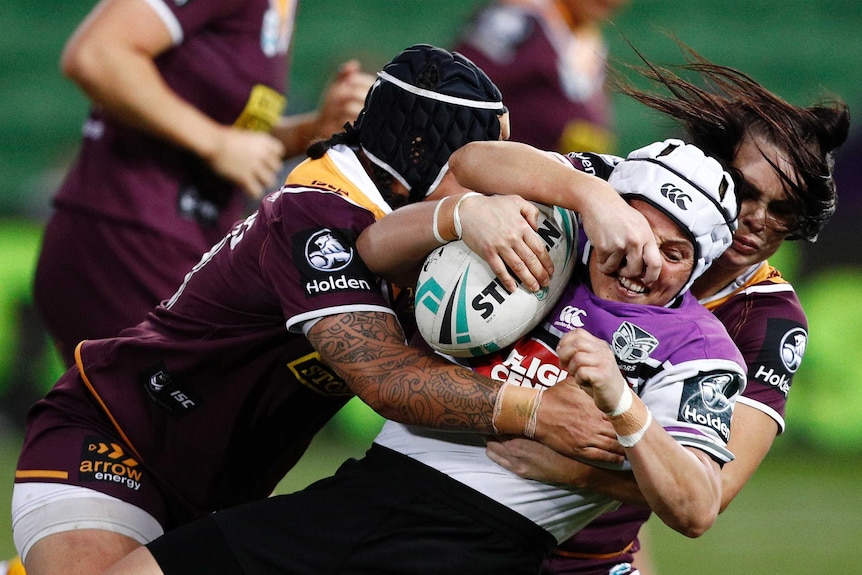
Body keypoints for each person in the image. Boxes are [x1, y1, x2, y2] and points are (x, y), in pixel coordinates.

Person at [11, 44, 664, 575]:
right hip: (118, 443)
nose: (498, 182)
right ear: (421, 153)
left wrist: (595, 198)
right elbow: (385, 377)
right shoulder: (317, 215)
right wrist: (541, 413)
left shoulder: (412, 221)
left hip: (225, 489)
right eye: (479, 164)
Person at [96, 138, 747, 575]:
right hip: (369, 485)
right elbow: (473, 161)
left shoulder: (702, 352)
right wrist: (588, 197)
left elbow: (695, 508)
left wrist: (622, 403)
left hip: (483, 539)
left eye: (674, 253)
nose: (642, 262)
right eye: (633, 232)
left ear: (701, 265)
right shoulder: (554, 239)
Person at [471, 47, 850, 575]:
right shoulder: (630, 191)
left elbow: (709, 495)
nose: (756, 219)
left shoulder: (767, 318)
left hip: (584, 553)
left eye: (782, 210)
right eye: (745, 192)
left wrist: (573, 468)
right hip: (463, 502)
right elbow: (477, 160)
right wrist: (589, 196)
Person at [32, 0, 376, 367]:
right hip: (126, 238)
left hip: (179, 239)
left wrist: (312, 130)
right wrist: (214, 141)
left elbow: (228, 137)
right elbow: (97, 54)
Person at [453, 0, 627, 154]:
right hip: (489, 175)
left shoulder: (590, 40)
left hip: (545, 182)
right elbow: (458, 85)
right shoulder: (517, 20)